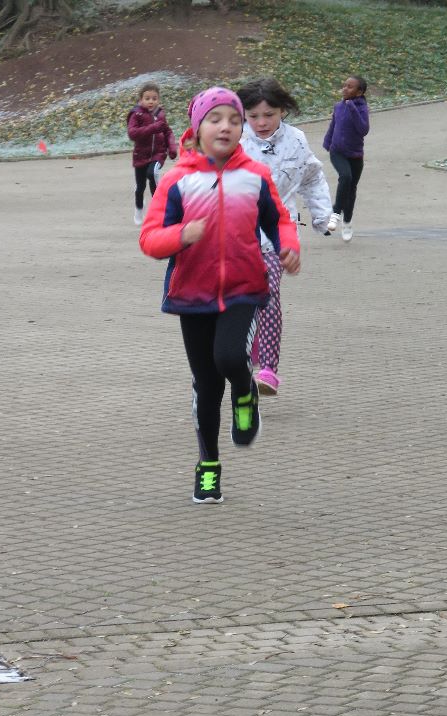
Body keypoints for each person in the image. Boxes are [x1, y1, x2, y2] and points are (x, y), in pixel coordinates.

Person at [139, 87, 300, 504]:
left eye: (234, 119)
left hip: (244, 287)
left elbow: (279, 220)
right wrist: (182, 235)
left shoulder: (255, 176)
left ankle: (245, 392)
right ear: (197, 128)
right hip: (192, 294)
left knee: (229, 357)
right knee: (207, 386)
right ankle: (208, 466)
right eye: (215, 119)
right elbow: (150, 239)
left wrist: (288, 246)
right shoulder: (177, 180)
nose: (225, 127)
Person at [238, 78, 332, 396]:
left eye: (269, 114)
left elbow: (312, 177)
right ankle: (246, 350)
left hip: (277, 233)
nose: (262, 122)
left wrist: (321, 216)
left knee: (268, 293)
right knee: (240, 301)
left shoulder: (296, 140)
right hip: (235, 235)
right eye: (254, 116)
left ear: (283, 111)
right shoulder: (233, 138)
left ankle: (268, 370)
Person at [323, 75, 370, 242]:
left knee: (351, 189)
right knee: (345, 176)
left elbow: (363, 129)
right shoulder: (338, 106)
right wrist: (328, 142)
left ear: (359, 92)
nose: (345, 88)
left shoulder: (362, 108)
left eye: (350, 87)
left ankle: (347, 221)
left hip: (355, 155)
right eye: (344, 85)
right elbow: (333, 125)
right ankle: (335, 213)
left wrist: (352, 108)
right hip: (337, 152)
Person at [126, 81, 177, 226]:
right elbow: (132, 133)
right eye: (147, 98)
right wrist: (153, 128)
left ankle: (159, 205)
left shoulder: (160, 114)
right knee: (140, 187)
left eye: (154, 98)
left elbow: (167, 131)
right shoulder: (136, 114)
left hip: (157, 154)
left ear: (158, 99)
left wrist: (172, 147)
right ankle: (139, 208)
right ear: (141, 99)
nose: (151, 101)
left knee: (152, 173)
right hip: (140, 156)